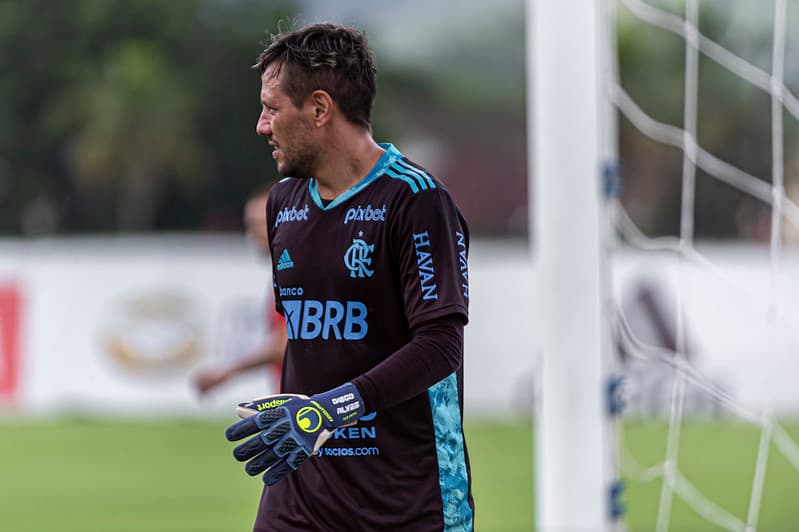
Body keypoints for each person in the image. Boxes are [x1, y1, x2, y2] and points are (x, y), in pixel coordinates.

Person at [224, 23, 473, 531]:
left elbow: (442, 347)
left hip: (404, 502)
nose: (260, 125)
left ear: (319, 108)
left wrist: (328, 410)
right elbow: (310, 336)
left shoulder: (416, 201)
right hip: (299, 498)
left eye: (272, 108)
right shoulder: (282, 204)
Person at [193, 188, 287, 395]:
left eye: (257, 224)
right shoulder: (280, 273)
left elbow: (283, 344)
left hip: (306, 407)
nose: (250, 235)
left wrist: (227, 372)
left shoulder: (294, 274)